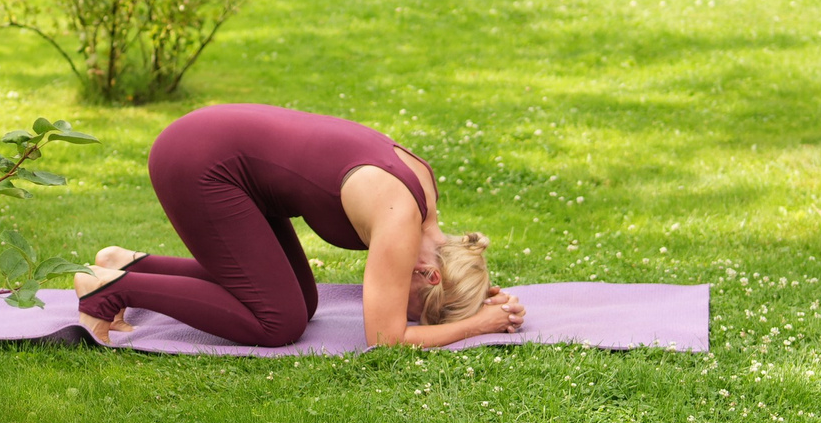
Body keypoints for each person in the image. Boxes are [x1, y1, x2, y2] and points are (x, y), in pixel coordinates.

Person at [70, 103, 525, 349]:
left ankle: (127, 265)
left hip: (225, 154)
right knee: (277, 322)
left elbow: (444, 277)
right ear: (431, 277)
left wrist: (477, 292)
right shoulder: (401, 220)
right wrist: (475, 325)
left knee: (300, 303)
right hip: (199, 161)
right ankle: (107, 289)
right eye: (416, 309)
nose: (401, 310)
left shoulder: (425, 208)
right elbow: (386, 340)